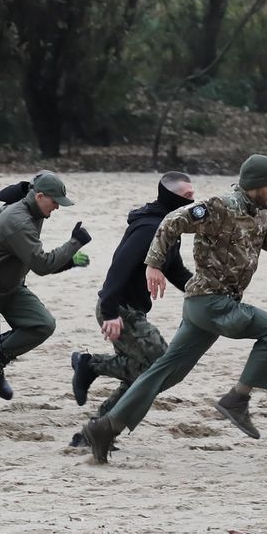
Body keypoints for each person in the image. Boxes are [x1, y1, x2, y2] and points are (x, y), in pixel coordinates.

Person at [82, 154, 267, 463]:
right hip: (211, 303)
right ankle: (238, 398)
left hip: (207, 308)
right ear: (256, 184)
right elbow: (171, 221)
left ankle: (105, 427)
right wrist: (153, 264)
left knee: (164, 374)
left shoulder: (262, 214)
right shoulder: (219, 206)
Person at [0, 172, 90, 411]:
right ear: (39, 196)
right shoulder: (18, 220)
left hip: (10, 288)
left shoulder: (36, 212)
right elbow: (42, 264)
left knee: (42, 324)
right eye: (54, 202)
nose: (57, 208)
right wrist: (74, 243)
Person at [70, 173, 195, 429]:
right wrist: (109, 311)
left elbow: (175, 270)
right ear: (171, 197)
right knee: (160, 364)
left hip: (132, 309)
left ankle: (97, 429)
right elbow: (120, 266)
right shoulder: (150, 227)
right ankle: (90, 365)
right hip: (119, 309)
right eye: (187, 197)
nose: (193, 203)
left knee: (139, 374)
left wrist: (206, 291)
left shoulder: (169, 227)